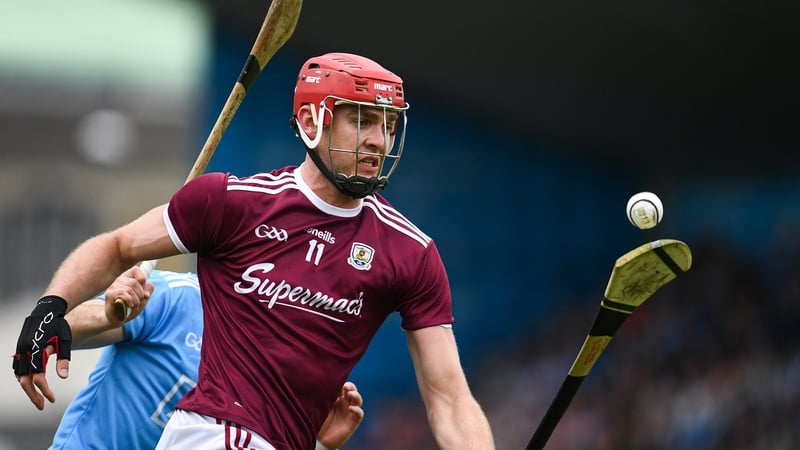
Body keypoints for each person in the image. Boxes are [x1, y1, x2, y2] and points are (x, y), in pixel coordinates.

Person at [13, 52, 495, 450]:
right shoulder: (230, 204)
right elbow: (118, 246)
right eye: (361, 120)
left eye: (387, 124)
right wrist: (50, 309)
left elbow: (449, 397)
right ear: (312, 120)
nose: (377, 139)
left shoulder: (410, 253)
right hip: (208, 436)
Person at [48, 268, 363, 450]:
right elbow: (67, 329)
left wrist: (317, 445)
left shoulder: (281, 367)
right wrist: (107, 314)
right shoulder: (178, 297)